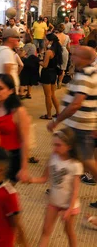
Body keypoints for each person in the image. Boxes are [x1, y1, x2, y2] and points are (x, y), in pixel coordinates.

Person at [47, 46, 97, 207]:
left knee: (88, 162)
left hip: (80, 126)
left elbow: (76, 104)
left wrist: (57, 120)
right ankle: (59, 185)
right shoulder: (87, 73)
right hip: (76, 124)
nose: (72, 58)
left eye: (76, 55)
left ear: (85, 59)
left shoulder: (86, 75)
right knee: (67, 155)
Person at [27, 128, 83, 247]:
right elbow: (44, 178)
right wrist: (30, 179)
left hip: (69, 205)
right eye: (54, 144)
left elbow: (75, 191)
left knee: (69, 232)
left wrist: (69, 209)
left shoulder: (75, 165)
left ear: (69, 146)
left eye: (58, 145)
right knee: (45, 231)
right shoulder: (52, 157)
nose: (54, 148)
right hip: (53, 202)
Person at [0, 74, 31, 184]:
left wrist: (24, 168)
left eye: (0, 88)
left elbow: (25, 141)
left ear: (11, 90)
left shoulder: (18, 111)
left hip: (10, 161)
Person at [38, 33, 62, 120]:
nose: (44, 42)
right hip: (53, 73)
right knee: (52, 95)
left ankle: (48, 115)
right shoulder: (56, 50)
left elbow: (45, 65)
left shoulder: (49, 52)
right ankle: (58, 112)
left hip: (47, 74)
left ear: (50, 41)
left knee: (47, 96)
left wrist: (38, 61)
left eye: (45, 40)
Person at [19, 35, 40, 99]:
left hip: (27, 63)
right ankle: (28, 93)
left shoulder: (27, 45)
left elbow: (22, 54)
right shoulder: (33, 45)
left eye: (23, 38)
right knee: (30, 79)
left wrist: (19, 53)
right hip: (33, 63)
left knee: (23, 78)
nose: (22, 39)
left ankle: (21, 94)